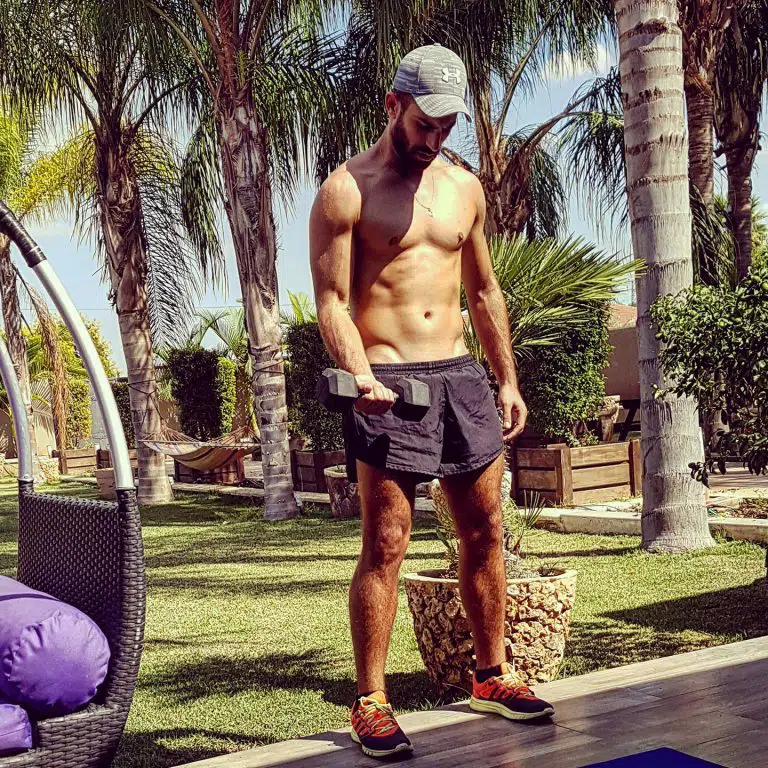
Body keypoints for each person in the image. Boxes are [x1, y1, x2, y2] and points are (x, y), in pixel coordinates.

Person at [309, 43, 554, 759]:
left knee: (485, 531)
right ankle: (371, 701)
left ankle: (492, 675)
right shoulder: (345, 191)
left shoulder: (463, 188)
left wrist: (506, 378)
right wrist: (360, 375)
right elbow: (331, 301)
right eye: (424, 124)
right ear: (394, 106)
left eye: (446, 126)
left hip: (460, 378)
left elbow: (484, 290)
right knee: (386, 543)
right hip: (388, 383)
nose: (434, 138)